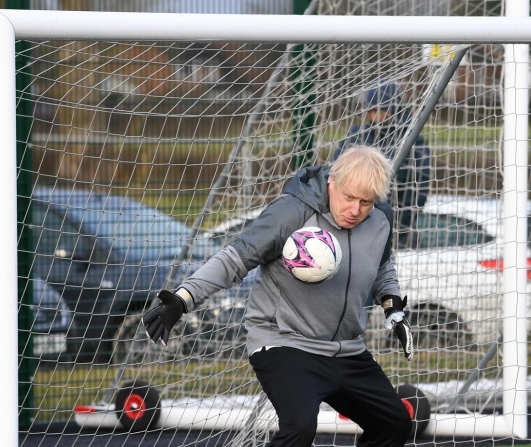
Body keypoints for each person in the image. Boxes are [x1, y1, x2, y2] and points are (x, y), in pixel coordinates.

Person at [142, 146, 415, 447]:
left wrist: (393, 308)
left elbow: (382, 267)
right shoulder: (292, 211)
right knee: (299, 429)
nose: (355, 210)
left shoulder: (380, 219)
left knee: (395, 424)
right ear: (332, 181)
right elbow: (235, 258)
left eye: (366, 202)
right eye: (349, 197)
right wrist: (184, 298)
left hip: (345, 350)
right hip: (285, 341)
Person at [334, 79, 430, 229]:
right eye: (371, 110)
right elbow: (335, 175)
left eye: (380, 110)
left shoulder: (412, 140)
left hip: (393, 225)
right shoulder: (356, 135)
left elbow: (419, 188)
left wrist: (399, 225)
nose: (374, 115)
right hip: (351, 220)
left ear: (393, 109)